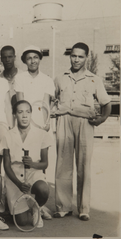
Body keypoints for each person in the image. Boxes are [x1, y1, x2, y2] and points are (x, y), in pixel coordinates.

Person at [53, 42, 111, 221]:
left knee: (83, 164)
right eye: (74, 56)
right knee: (63, 164)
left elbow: (106, 103)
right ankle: (63, 206)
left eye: (80, 56)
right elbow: (50, 99)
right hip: (64, 121)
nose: (76, 59)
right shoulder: (60, 78)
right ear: (70, 56)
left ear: (86, 58)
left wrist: (101, 119)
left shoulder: (94, 79)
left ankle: (84, 208)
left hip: (85, 123)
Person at [1, 100, 52, 228]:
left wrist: (33, 164)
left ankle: (36, 208)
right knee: (23, 222)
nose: (24, 116)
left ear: (31, 114)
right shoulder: (7, 135)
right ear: (14, 115)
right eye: (20, 112)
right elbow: (6, 166)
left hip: (34, 174)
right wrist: (18, 184)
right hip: (15, 178)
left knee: (43, 189)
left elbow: (45, 164)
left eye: (27, 112)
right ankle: (12, 202)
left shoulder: (42, 134)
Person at [14, 45, 55, 132]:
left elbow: (46, 103)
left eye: (35, 57)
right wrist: (26, 123)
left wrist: (46, 123)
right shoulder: (19, 78)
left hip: (41, 119)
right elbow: (20, 103)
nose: (33, 61)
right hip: (25, 120)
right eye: (29, 58)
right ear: (25, 61)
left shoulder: (47, 79)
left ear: (40, 59)